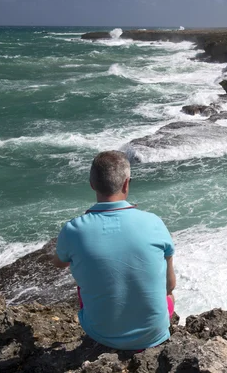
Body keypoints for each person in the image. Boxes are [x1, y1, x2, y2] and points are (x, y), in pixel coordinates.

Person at [52, 150, 176, 350]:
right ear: (127, 183)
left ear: (92, 185)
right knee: (167, 295)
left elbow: (58, 263)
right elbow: (170, 285)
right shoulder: (154, 222)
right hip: (154, 333)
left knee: (84, 282)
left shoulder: (73, 229)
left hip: (101, 334)